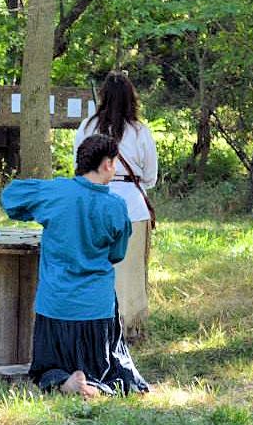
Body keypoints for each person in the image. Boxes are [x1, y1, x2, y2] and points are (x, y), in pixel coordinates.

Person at [1, 134, 150, 397]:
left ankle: (62, 380)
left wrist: (38, 209)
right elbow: (117, 254)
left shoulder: (55, 192)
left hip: (55, 306)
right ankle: (90, 380)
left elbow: (11, 197)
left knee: (46, 366)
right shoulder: (115, 206)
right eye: (114, 163)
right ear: (106, 164)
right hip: (96, 310)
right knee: (113, 369)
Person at [74, 71, 158, 340]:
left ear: (103, 96)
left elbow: (79, 167)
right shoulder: (139, 131)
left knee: (93, 265)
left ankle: (94, 323)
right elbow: (150, 176)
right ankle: (128, 327)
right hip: (132, 206)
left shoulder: (87, 126)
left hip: (93, 202)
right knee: (130, 270)